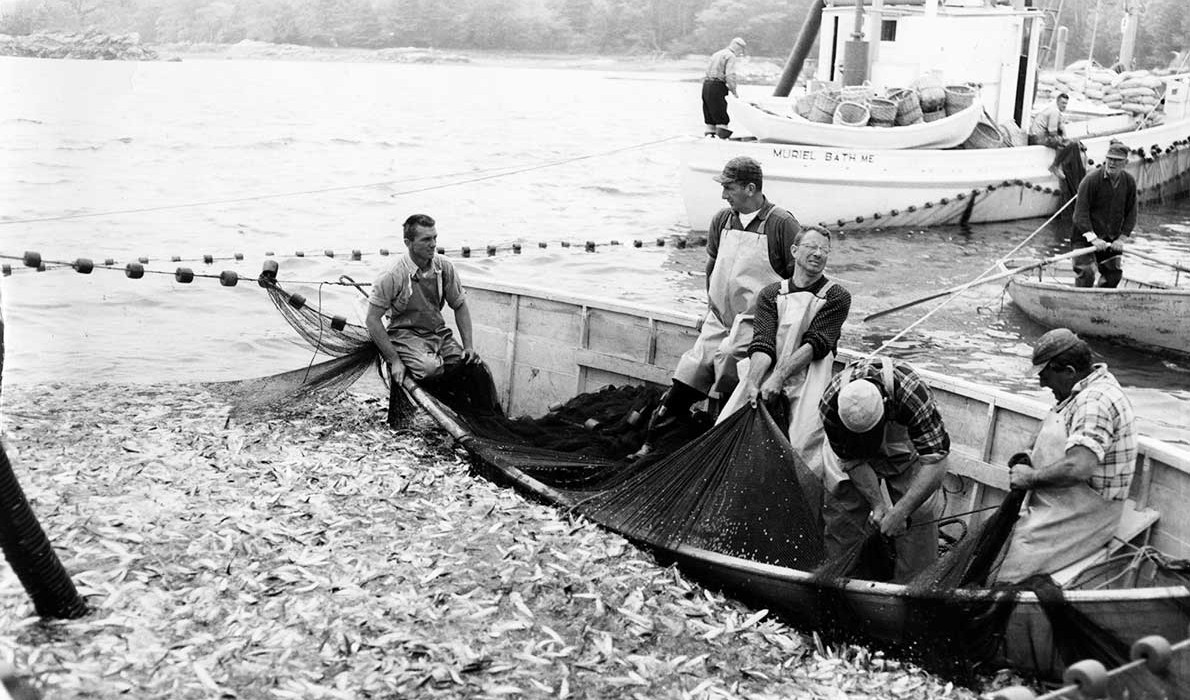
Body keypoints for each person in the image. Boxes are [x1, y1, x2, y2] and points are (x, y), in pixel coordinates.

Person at [634, 156, 800, 455]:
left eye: (729, 188)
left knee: (729, 360)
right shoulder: (722, 220)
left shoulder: (781, 224)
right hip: (720, 317)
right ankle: (651, 443)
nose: (724, 195)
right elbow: (712, 266)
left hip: (756, 322)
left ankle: (721, 436)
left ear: (751, 188)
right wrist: (709, 306)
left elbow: (797, 281)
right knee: (691, 367)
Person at [993, 329, 1136, 584]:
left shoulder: (1095, 401)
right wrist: (1027, 456)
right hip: (1058, 503)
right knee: (1000, 548)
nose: (1041, 384)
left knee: (1007, 571)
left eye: (1045, 376)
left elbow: (1079, 466)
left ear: (1069, 371)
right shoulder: (1080, 390)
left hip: (1085, 516)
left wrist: (1031, 478)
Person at [718, 225, 851, 484]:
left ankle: (802, 505)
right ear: (794, 250)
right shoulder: (771, 293)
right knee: (729, 424)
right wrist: (754, 382)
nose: (818, 254)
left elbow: (817, 343)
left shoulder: (837, 296)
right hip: (767, 368)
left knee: (806, 445)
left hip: (811, 372)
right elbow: (763, 344)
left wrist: (779, 377)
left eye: (824, 250)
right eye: (811, 247)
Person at [818, 357, 952, 583]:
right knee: (842, 512)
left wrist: (901, 511)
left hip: (901, 444)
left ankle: (910, 592)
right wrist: (878, 506)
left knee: (920, 515)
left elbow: (936, 461)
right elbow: (852, 461)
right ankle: (839, 584)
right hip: (852, 455)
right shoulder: (830, 405)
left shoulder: (912, 394)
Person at [365, 214, 480, 386]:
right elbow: (372, 320)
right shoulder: (392, 274)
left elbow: (460, 305)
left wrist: (468, 346)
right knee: (430, 369)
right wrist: (394, 360)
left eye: (435, 238)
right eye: (426, 239)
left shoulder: (444, 266)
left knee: (465, 365)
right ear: (408, 243)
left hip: (437, 332)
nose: (433, 244)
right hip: (404, 335)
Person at [1071, 139, 1137, 288]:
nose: (1112, 163)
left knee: (1113, 274)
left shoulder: (1129, 182)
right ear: (1105, 159)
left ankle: (1101, 303)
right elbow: (1080, 214)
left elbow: (1132, 213)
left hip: (1110, 238)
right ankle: (1081, 303)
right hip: (1084, 236)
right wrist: (1093, 238)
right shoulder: (1091, 180)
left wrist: (1121, 239)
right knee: (1086, 273)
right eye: (1110, 159)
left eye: (1117, 161)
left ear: (1126, 163)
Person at [703, 37, 746, 139]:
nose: (740, 54)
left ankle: (709, 139)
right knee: (721, 117)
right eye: (741, 51)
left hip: (706, 85)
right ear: (739, 48)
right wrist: (734, 91)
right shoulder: (730, 56)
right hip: (718, 86)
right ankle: (721, 141)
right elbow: (730, 75)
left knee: (710, 118)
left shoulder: (717, 54)